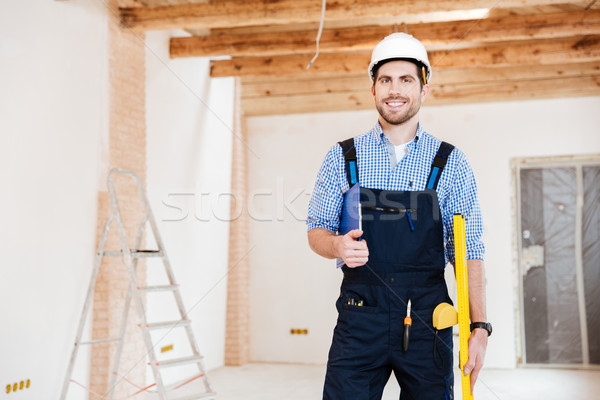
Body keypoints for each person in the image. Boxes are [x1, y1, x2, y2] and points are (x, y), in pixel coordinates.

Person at [306, 33, 490, 400]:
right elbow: (317, 232)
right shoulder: (343, 157)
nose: (395, 90)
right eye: (385, 80)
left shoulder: (450, 162)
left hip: (427, 318)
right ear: (373, 89)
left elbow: (468, 250)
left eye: (407, 80)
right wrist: (338, 245)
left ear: (424, 88)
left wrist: (480, 327)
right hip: (360, 318)